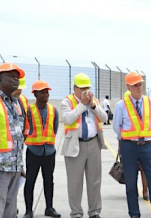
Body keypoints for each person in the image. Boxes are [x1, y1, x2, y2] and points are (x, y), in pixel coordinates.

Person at [113, 71, 151, 218]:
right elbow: (117, 127)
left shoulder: (150, 103)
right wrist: (127, 140)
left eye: (140, 84)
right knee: (131, 184)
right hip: (129, 147)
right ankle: (134, 214)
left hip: (147, 146)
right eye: (135, 85)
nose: (139, 87)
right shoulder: (121, 105)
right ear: (128, 87)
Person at [61, 73, 107, 218]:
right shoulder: (67, 102)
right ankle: (76, 212)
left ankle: (94, 212)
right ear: (74, 88)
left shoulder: (94, 101)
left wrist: (92, 105)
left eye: (87, 88)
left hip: (93, 144)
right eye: (82, 88)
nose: (85, 91)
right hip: (76, 146)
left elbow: (104, 118)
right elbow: (68, 119)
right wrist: (82, 104)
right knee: (75, 183)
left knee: (94, 181)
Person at [0, 63, 25, 218]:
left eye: (17, 76)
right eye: (11, 76)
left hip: (14, 169)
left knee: (10, 213)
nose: (16, 79)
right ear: (0, 79)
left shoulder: (16, 104)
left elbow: (17, 136)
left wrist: (20, 164)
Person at [23, 80, 61, 218]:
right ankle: (28, 210)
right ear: (35, 94)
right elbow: (26, 129)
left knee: (49, 180)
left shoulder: (53, 110)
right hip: (33, 151)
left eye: (47, 92)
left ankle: (49, 208)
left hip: (49, 151)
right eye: (43, 92)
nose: (46, 94)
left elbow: (54, 129)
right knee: (30, 181)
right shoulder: (29, 110)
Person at [123, 90, 149, 201]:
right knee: (132, 172)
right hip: (129, 145)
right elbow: (119, 129)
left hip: (143, 144)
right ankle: (133, 192)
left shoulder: (144, 108)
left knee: (144, 170)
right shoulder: (123, 108)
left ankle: (145, 190)